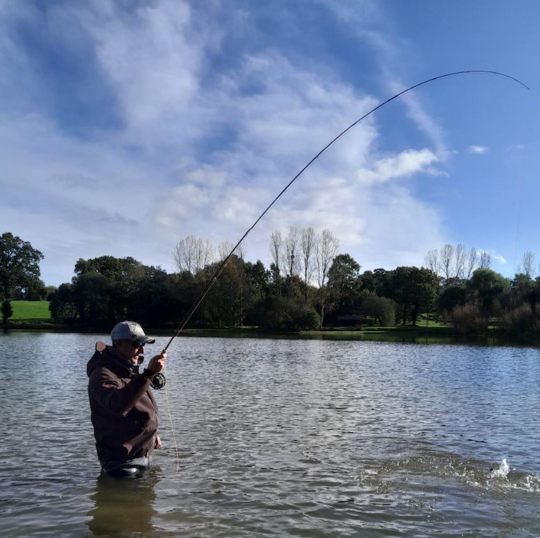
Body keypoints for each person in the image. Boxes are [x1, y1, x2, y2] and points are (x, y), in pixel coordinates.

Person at [87, 321, 167, 477]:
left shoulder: (128, 368)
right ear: (118, 343)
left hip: (142, 454)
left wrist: (151, 434)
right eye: (137, 345)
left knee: (145, 500)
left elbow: (137, 403)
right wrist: (148, 374)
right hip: (121, 461)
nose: (142, 350)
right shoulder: (102, 374)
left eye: (143, 344)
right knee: (128, 501)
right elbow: (118, 405)